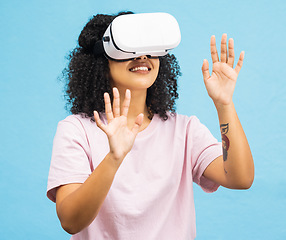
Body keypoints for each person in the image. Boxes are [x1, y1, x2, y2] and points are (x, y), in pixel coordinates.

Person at [47, 11, 254, 240]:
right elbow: (70, 221)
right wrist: (113, 159)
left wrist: (224, 104)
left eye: (149, 49)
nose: (142, 56)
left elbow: (240, 178)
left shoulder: (184, 131)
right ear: (102, 58)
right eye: (128, 49)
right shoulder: (77, 130)